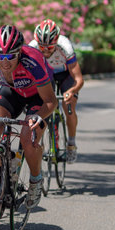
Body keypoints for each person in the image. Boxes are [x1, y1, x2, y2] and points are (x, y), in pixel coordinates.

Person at [0, 25, 57, 210]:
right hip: (12, 92)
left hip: (38, 96)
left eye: (10, 57)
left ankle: (36, 180)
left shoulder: (33, 60)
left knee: (27, 136)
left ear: (19, 53)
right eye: (0, 56)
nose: (4, 62)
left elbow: (51, 101)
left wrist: (37, 117)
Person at [29, 19, 84, 163]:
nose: (45, 50)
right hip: (48, 75)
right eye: (42, 47)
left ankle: (71, 144)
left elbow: (79, 79)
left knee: (69, 106)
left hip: (66, 75)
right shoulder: (32, 47)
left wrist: (72, 91)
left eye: (50, 46)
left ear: (56, 41)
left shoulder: (65, 45)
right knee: (46, 107)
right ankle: (51, 144)